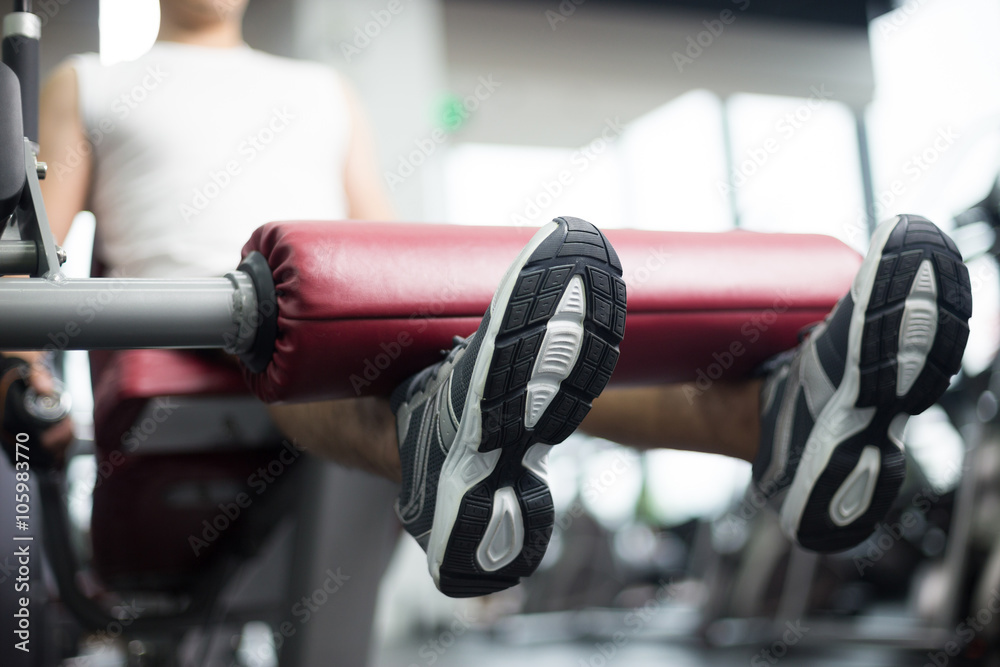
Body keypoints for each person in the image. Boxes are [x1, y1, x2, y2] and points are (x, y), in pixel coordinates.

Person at [0, 0, 972, 609]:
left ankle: (776, 419)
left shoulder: (319, 89)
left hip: (341, 304)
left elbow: (380, 242)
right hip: (208, 333)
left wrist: (431, 311)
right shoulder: (95, 82)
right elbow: (31, 267)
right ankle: (439, 436)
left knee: (539, 352)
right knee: (297, 354)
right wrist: (26, 367)